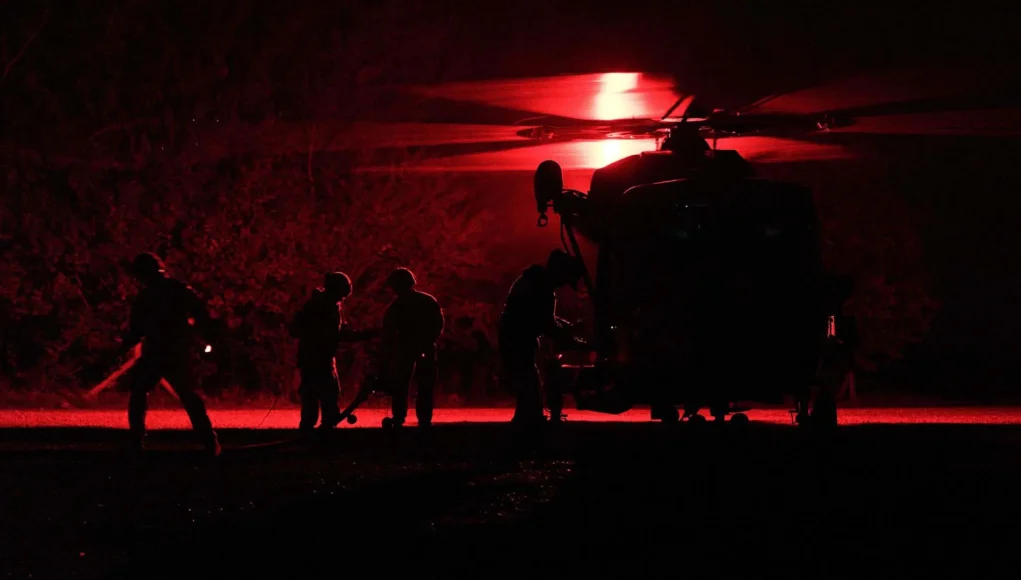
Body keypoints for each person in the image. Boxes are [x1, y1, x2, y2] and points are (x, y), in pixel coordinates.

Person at [120, 252, 220, 456]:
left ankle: (136, 440)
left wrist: (123, 344)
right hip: (174, 350)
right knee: (186, 394)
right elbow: (202, 314)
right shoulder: (178, 290)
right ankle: (209, 441)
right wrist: (199, 333)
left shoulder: (148, 295)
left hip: (160, 350)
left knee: (140, 392)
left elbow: (137, 328)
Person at [498, 249, 585, 427]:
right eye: (565, 280)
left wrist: (567, 328)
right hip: (517, 339)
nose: (563, 285)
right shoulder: (541, 288)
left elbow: (544, 319)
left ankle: (526, 424)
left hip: (513, 337)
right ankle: (527, 429)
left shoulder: (533, 281)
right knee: (528, 383)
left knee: (528, 382)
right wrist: (573, 339)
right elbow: (546, 324)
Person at [290, 272, 375, 432]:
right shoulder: (323, 306)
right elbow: (333, 334)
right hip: (316, 356)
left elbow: (337, 332)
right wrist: (364, 335)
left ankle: (313, 427)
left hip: (320, 356)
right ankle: (317, 428)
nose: (345, 296)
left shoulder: (328, 305)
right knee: (322, 392)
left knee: (318, 392)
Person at [379, 268, 444, 428]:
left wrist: (386, 355)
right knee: (424, 385)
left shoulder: (396, 306)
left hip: (406, 347)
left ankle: (400, 417)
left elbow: (388, 331)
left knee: (401, 383)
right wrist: (428, 341)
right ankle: (424, 418)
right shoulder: (427, 301)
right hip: (424, 346)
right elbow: (438, 324)